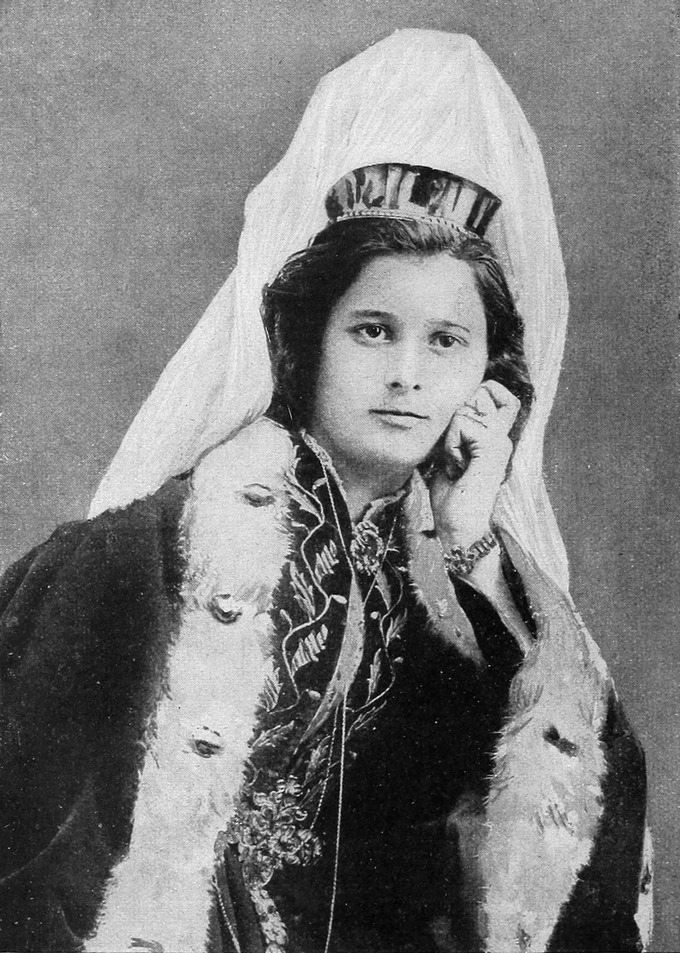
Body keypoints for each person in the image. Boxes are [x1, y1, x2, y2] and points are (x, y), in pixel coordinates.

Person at [0, 30, 651, 953]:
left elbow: (579, 829)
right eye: (374, 330)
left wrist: (472, 540)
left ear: (489, 381)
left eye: (446, 342)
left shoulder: (458, 594)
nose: (408, 375)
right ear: (309, 343)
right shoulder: (144, 557)